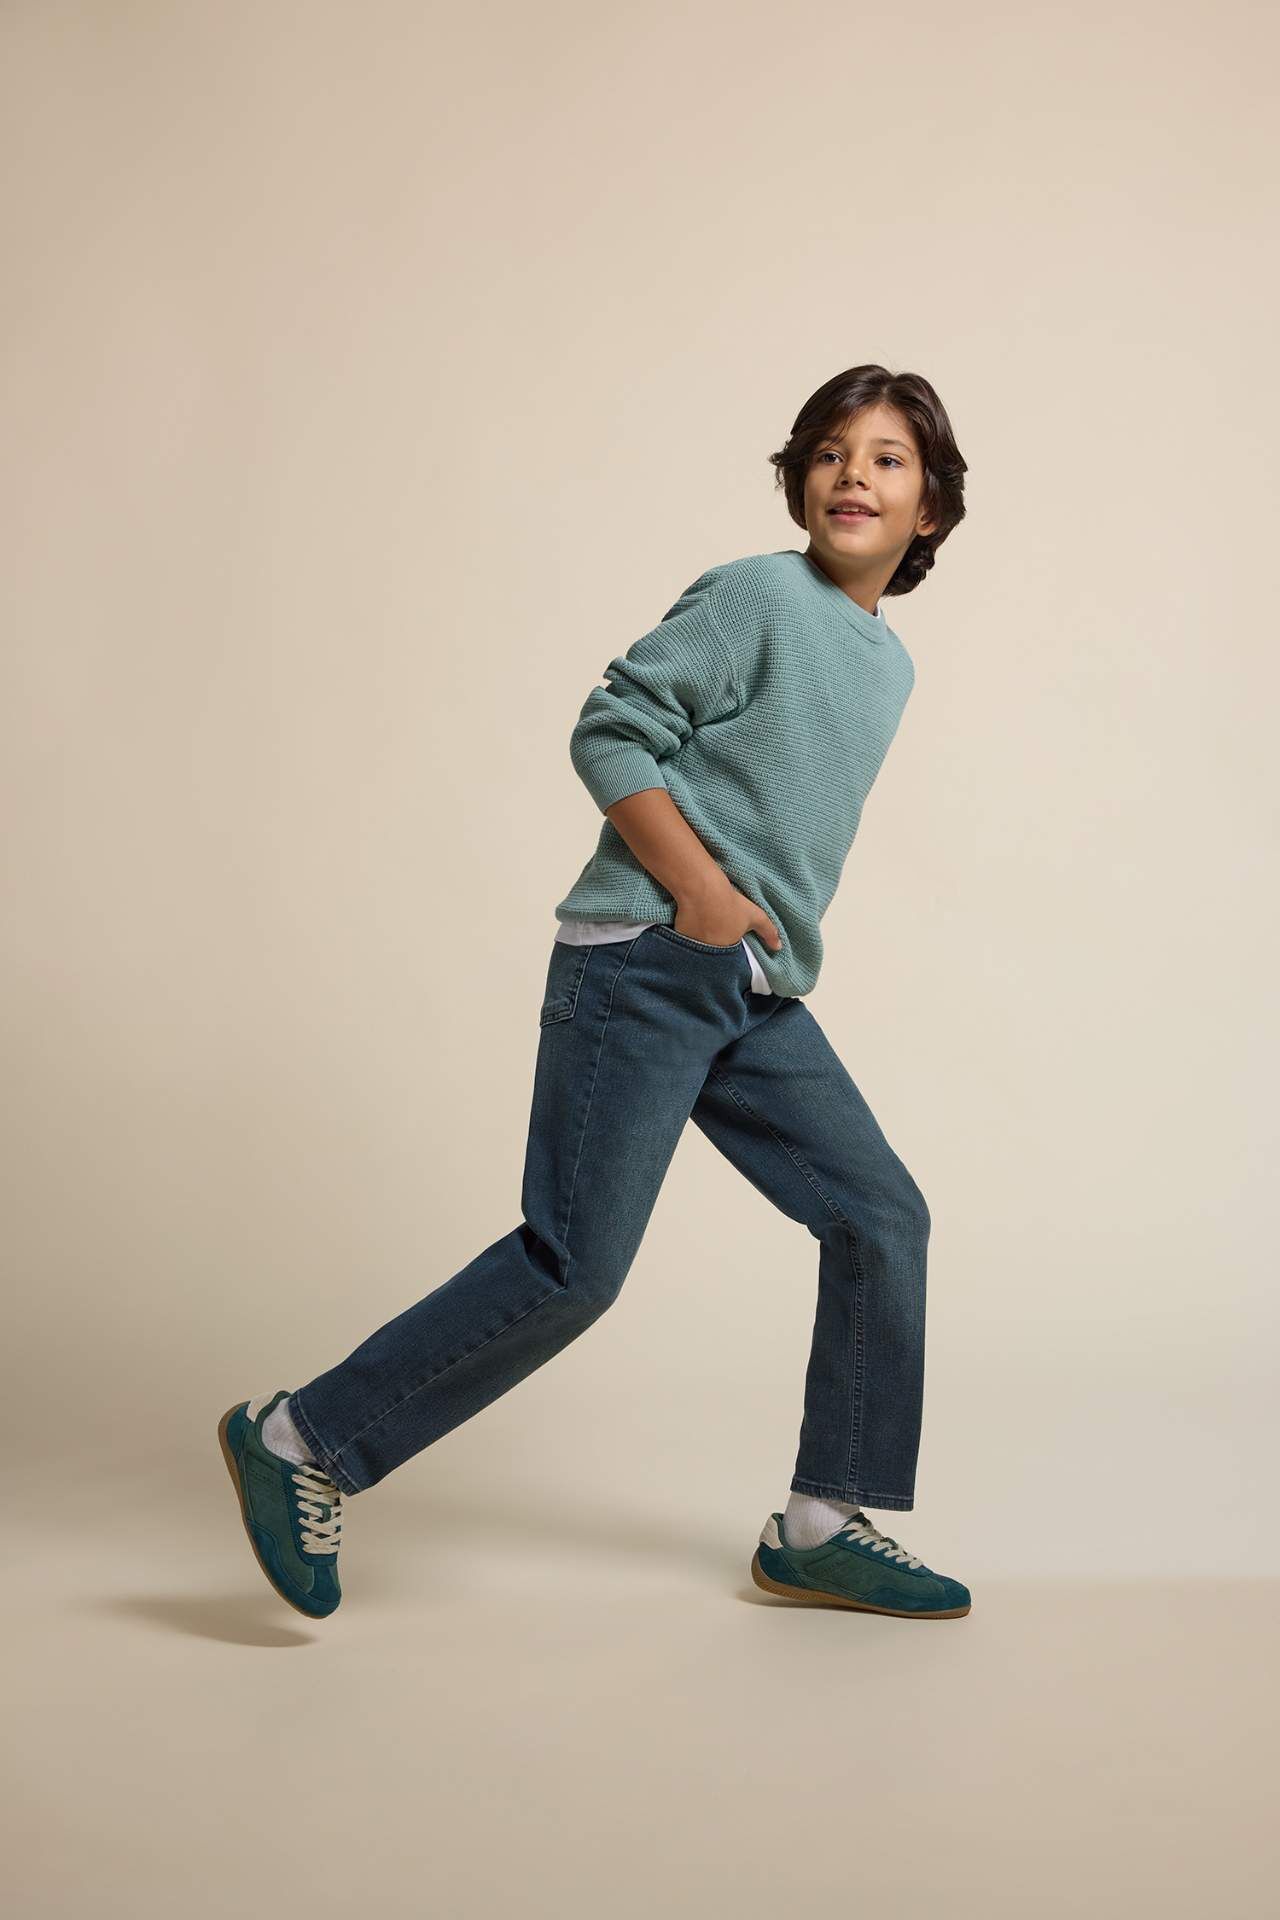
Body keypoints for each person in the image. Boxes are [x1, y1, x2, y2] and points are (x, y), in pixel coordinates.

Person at [218, 363, 973, 1623]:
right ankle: (298, 1439)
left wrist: (744, 938)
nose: (853, 474)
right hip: (647, 960)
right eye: (830, 452)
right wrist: (699, 895)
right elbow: (609, 730)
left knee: (880, 1216)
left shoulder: (885, 664)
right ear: (797, 480)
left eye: (886, 458)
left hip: (751, 989)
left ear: (929, 509)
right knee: (573, 1265)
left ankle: (820, 1524)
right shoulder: (755, 595)